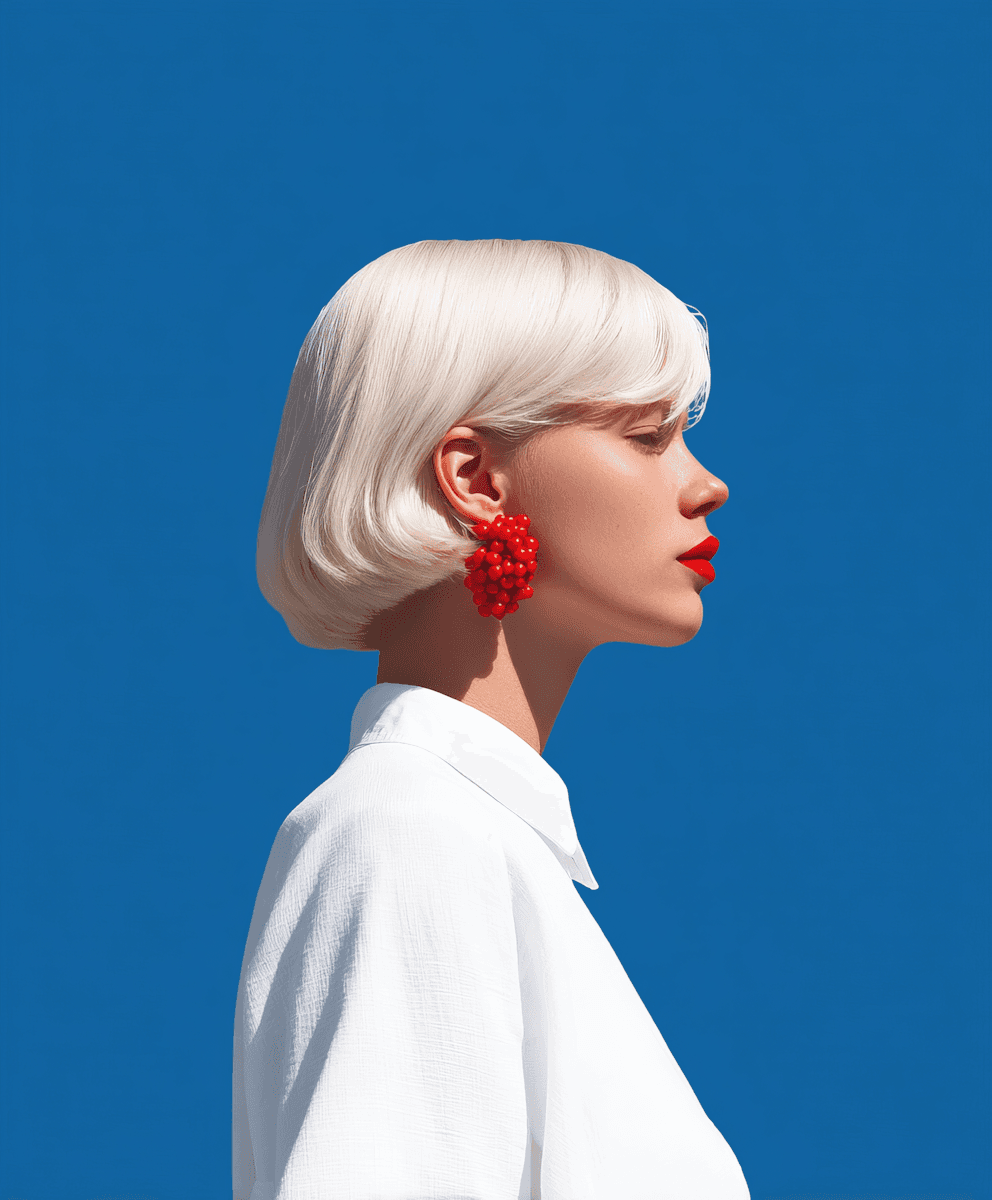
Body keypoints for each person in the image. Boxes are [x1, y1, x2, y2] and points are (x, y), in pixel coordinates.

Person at [233, 239, 748, 1199]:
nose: (705, 484)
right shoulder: (410, 828)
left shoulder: (466, 836)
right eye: (647, 436)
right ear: (475, 477)